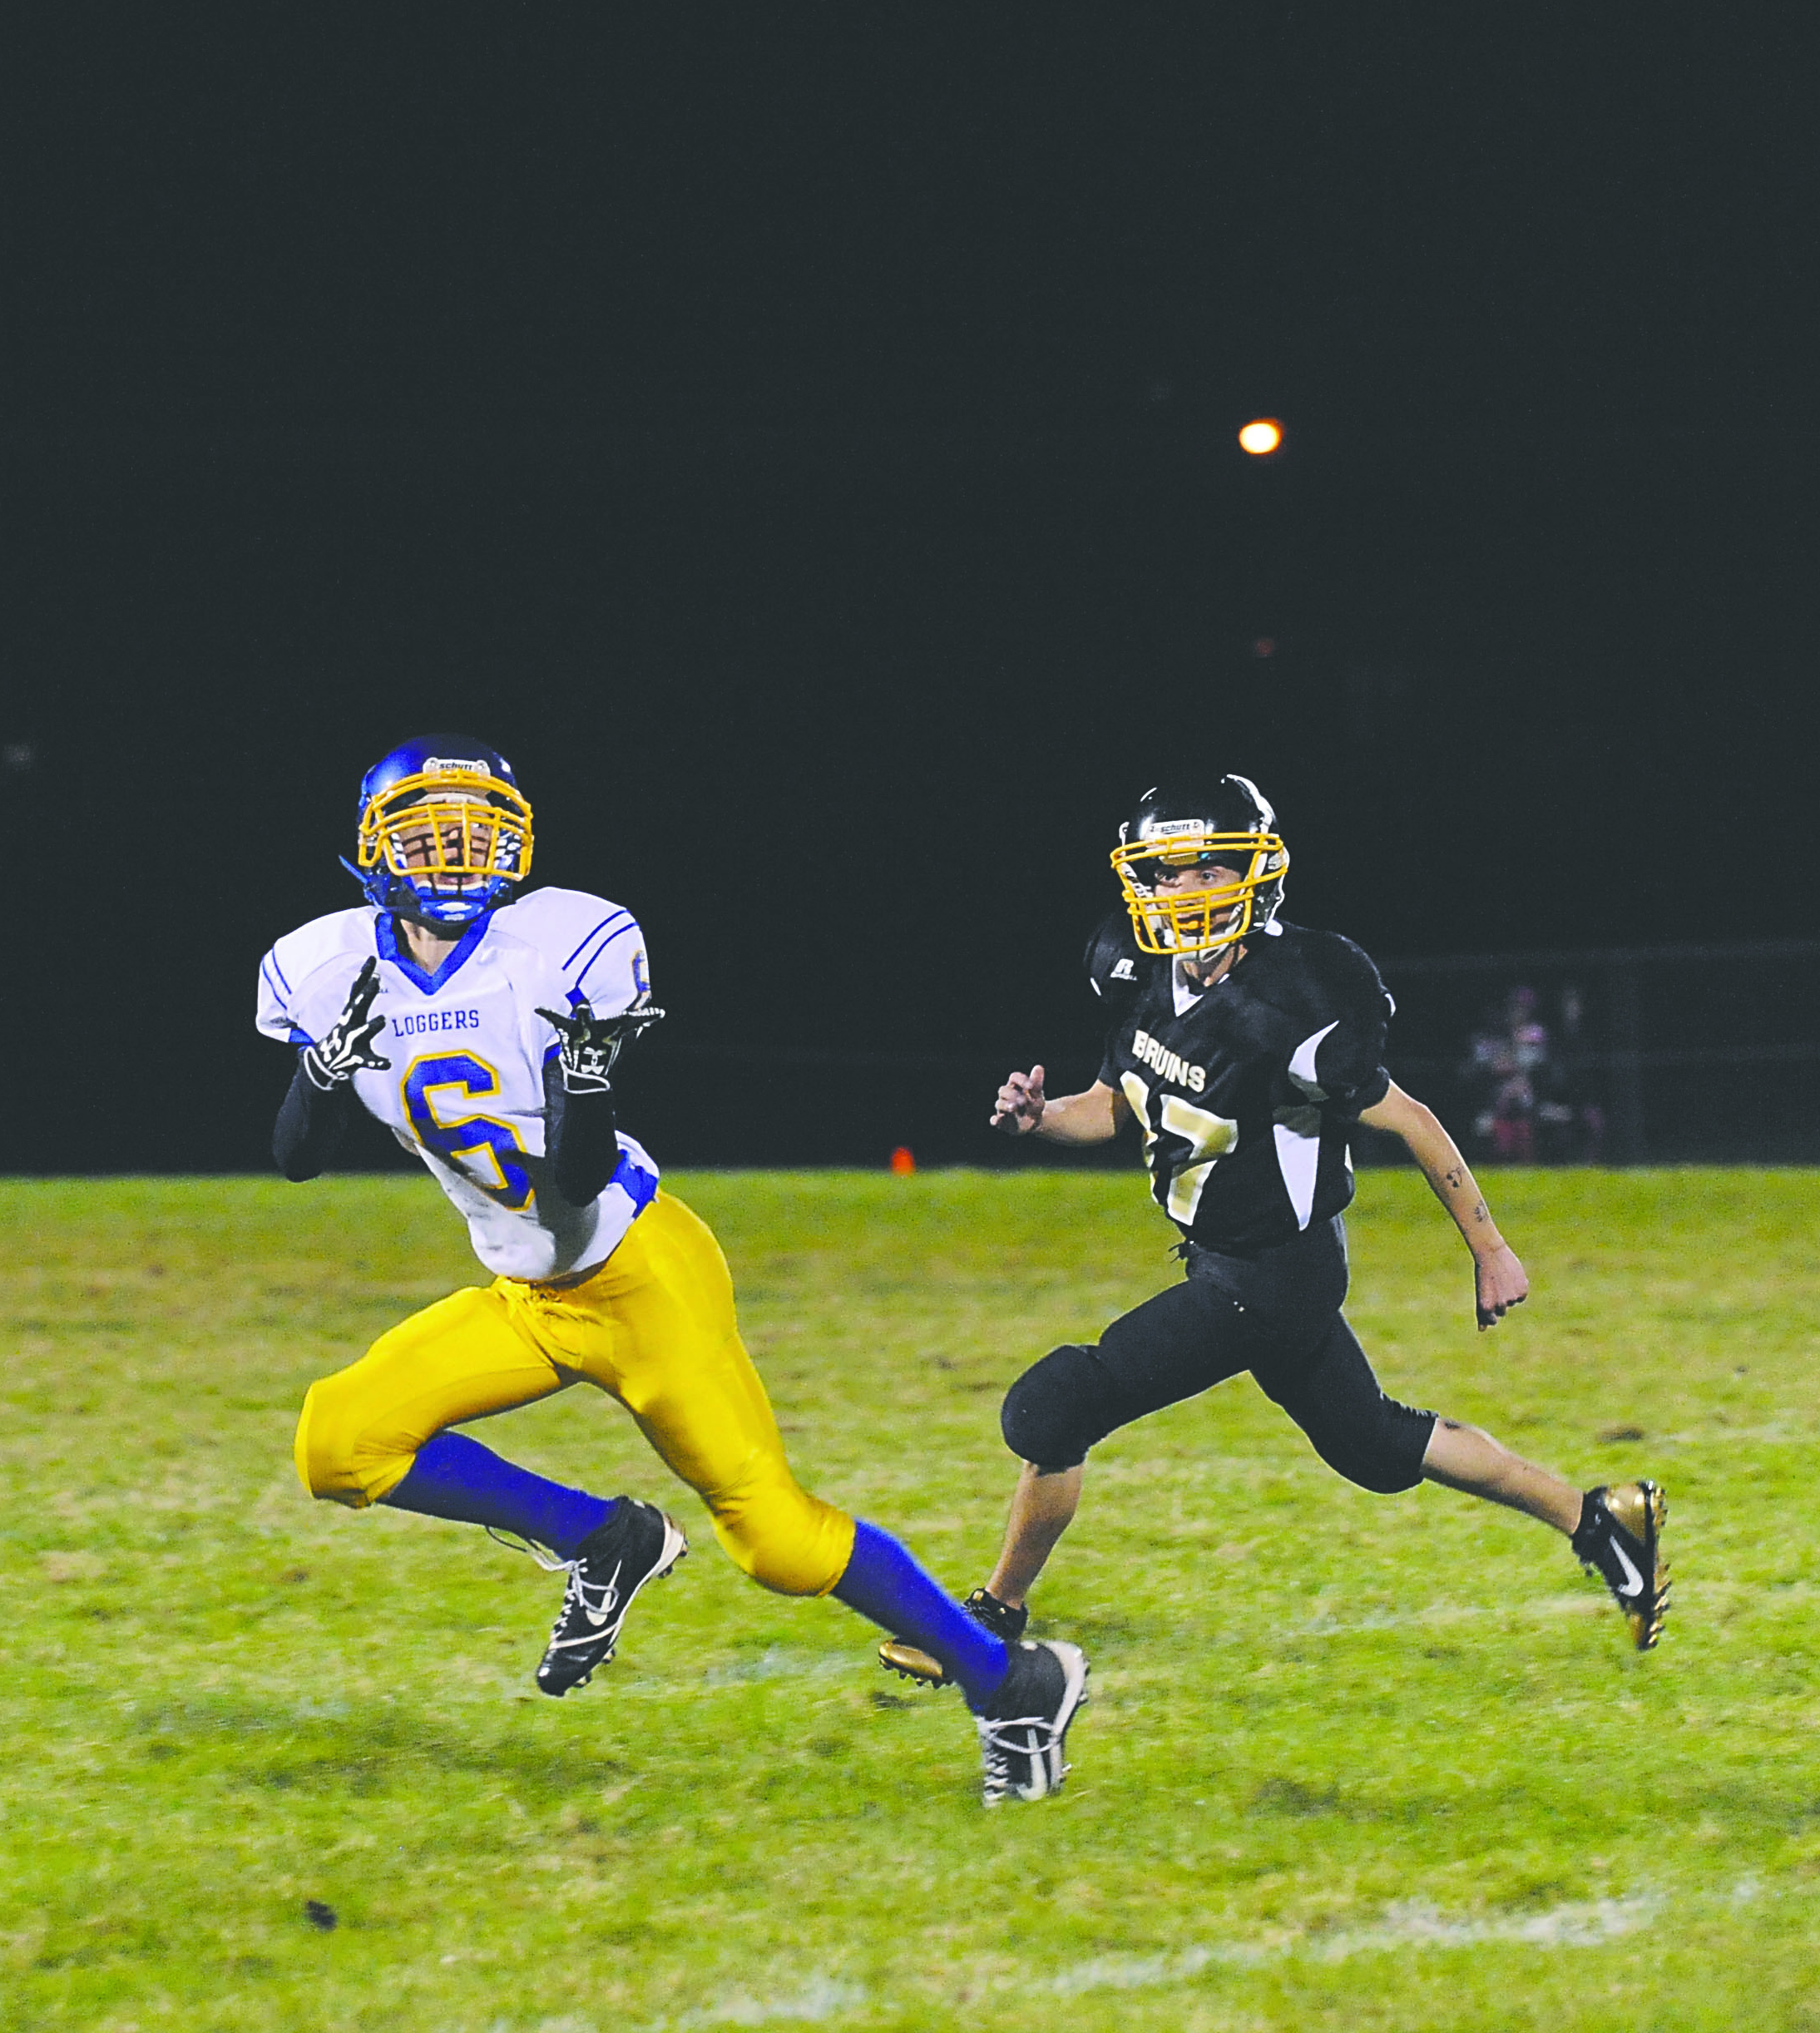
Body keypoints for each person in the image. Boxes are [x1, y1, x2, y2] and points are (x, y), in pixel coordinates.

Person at [266, 734, 1091, 1803]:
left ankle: (1012, 1684)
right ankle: (604, 1540)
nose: (455, 861)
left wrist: (591, 1074)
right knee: (337, 1443)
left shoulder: (566, 943)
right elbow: (295, 1159)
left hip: (638, 1272)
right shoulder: (320, 963)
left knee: (780, 1546)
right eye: (429, 838)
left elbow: (572, 1175)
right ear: (375, 849)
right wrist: (324, 1075)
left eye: (475, 837)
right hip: (527, 1294)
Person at [879, 772, 1668, 1685]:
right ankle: (1600, 1519)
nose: (1186, 893)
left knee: (1053, 1405)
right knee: (1373, 1447)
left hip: (1270, 1276)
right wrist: (1039, 1118)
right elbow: (1116, 1105)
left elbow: (1410, 1118)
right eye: (1167, 873)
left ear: (1255, 875)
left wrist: (1488, 1247)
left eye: (1208, 869)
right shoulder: (1135, 974)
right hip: (1224, 1261)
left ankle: (992, 1619)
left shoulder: (1297, 1000)